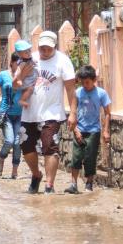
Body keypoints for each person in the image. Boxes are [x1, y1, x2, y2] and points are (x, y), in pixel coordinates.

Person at [14, 30, 77, 194]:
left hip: (52, 113)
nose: (45, 51)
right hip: (29, 114)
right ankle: (36, 175)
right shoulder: (29, 59)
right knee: (26, 147)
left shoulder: (63, 61)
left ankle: (49, 185)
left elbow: (71, 89)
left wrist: (73, 113)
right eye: (42, 48)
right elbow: (14, 86)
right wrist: (22, 74)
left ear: (54, 46)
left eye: (48, 48)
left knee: (50, 147)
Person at [64, 65, 112, 194]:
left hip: (94, 131)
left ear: (94, 80)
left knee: (90, 157)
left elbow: (107, 112)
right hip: (79, 129)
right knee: (76, 157)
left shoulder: (101, 93)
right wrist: (76, 131)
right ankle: (73, 184)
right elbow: (73, 113)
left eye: (87, 82)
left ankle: (89, 183)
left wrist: (106, 130)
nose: (85, 85)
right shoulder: (78, 93)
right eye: (83, 82)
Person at [13, 40, 38, 108]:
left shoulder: (30, 58)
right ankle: (22, 100)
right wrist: (19, 80)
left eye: (29, 51)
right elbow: (18, 72)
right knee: (30, 89)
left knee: (29, 89)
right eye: (26, 52)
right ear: (20, 54)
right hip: (27, 81)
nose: (29, 53)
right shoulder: (23, 62)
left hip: (30, 79)